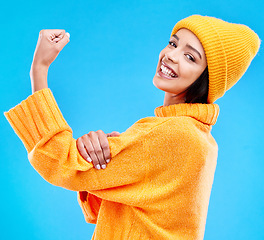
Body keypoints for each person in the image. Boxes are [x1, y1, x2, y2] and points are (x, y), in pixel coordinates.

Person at [4, 15, 260, 240]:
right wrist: (104, 158)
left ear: (207, 79)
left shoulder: (174, 135)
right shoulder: (199, 139)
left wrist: (39, 68)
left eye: (190, 57)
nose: (171, 55)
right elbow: (107, 211)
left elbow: (61, 161)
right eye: (173, 43)